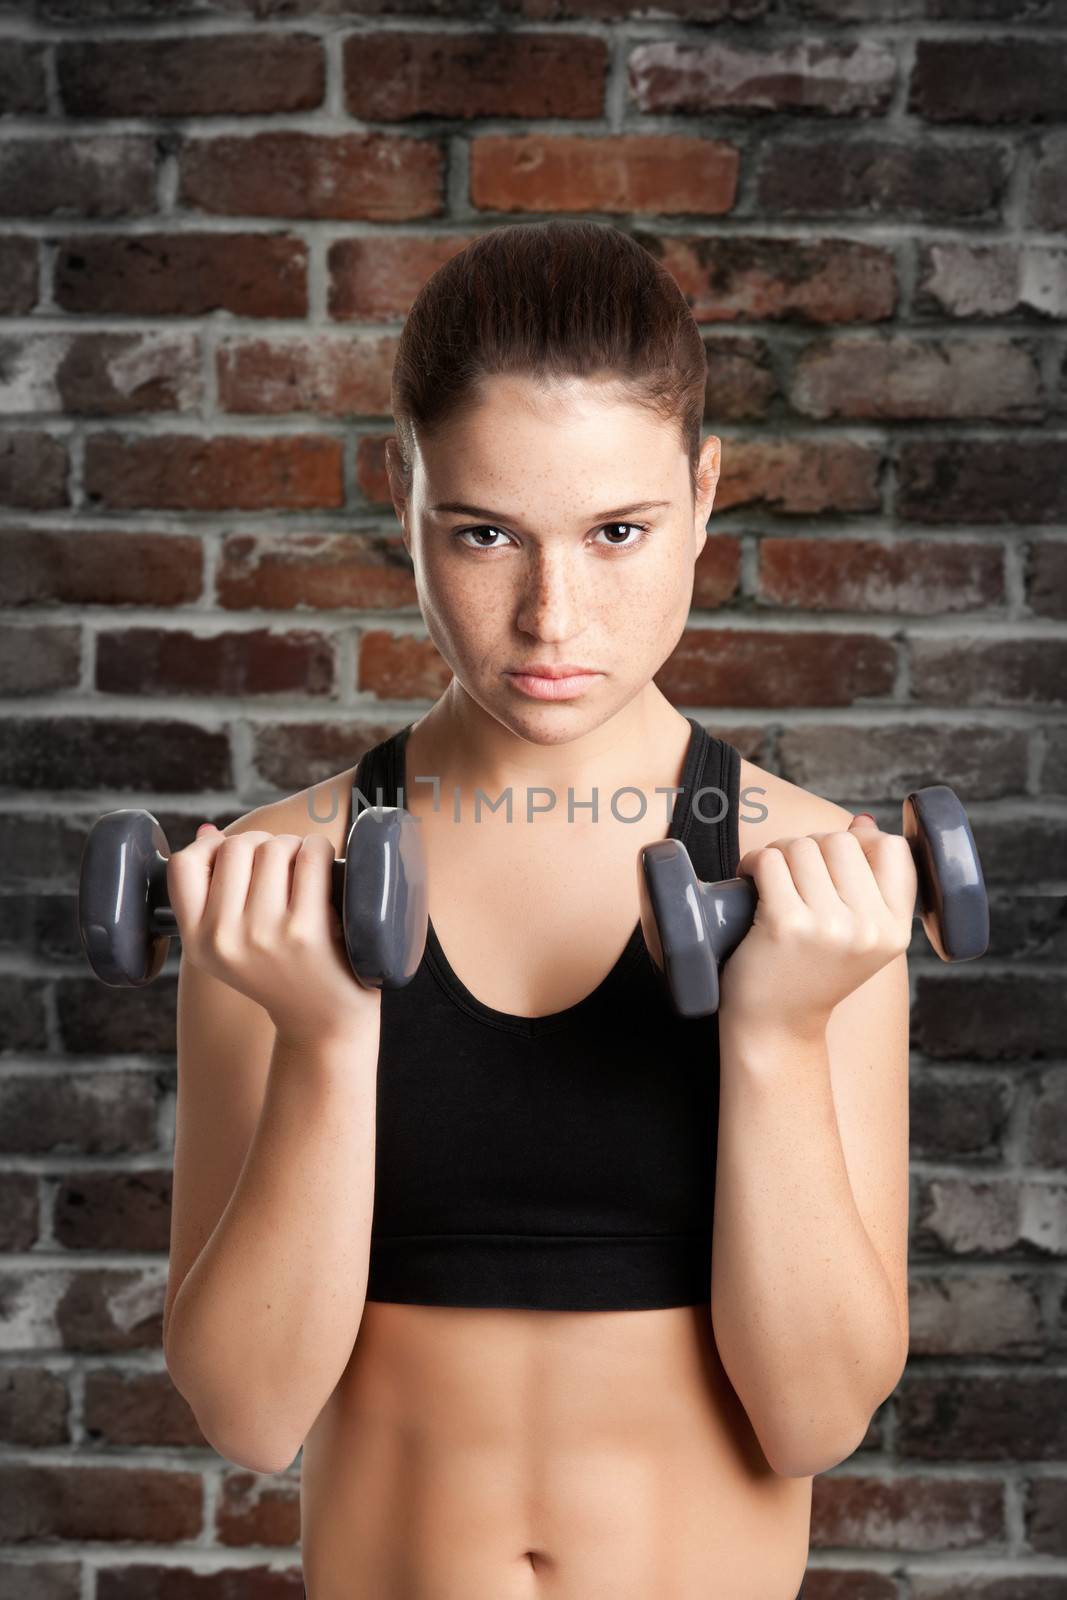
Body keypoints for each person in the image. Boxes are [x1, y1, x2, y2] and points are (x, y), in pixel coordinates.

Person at [162, 220, 913, 1600]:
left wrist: (779, 1038)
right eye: (487, 534)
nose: (551, 616)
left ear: (705, 495)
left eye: (618, 531)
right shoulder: (274, 888)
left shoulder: (824, 887)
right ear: (405, 500)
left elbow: (815, 1420)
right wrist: (329, 1044)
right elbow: (249, 1417)